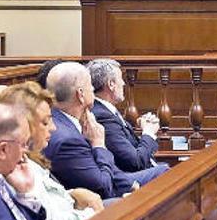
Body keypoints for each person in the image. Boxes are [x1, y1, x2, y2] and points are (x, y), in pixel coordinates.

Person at [43, 63, 159, 199]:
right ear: (80, 94)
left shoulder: (68, 121)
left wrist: (129, 184)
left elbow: (111, 174)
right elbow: (103, 187)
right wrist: (99, 144)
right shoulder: (67, 140)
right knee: (165, 174)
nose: (93, 88)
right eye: (89, 85)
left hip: (113, 184)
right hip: (96, 206)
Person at [0, 82, 102, 220]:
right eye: (45, 122)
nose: (53, 128)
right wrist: (93, 214)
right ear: (23, 126)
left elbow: (47, 198)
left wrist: (72, 195)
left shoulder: (29, 159)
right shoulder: (13, 168)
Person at [88, 59, 167, 173]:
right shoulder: (103, 116)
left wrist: (144, 128)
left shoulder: (107, 110)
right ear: (111, 84)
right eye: (120, 79)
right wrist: (148, 133)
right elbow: (135, 162)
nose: (124, 83)